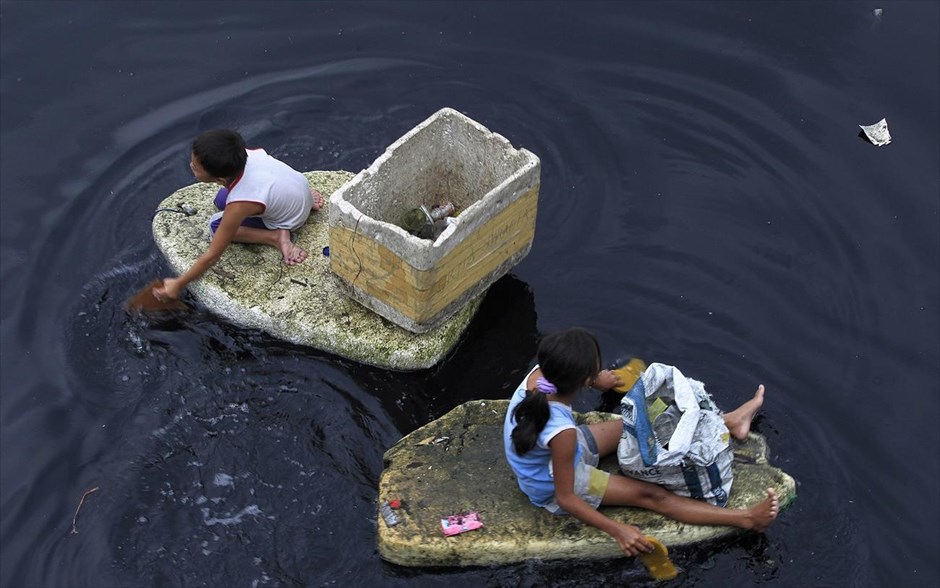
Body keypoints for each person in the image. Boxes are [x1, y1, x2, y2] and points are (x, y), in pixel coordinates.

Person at [503, 327, 779, 557]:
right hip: (555, 482)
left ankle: (729, 421)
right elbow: (567, 498)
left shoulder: (543, 374)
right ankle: (747, 519)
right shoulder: (562, 433)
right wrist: (617, 530)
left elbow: (574, 381)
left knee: (640, 424)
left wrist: (603, 381)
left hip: (557, 455)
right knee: (653, 496)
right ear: (582, 380)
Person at [154, 129, 324, 301]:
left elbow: (212, 256)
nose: (191, 166)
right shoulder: (248, 154)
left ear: (220, 179)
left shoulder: (240, 204)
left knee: (215, 225)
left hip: (291, 219)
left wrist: (178, 284)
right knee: (221, 200)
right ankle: (304, 201)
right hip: (301, 194)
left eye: (196, 168)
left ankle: (275, 236)